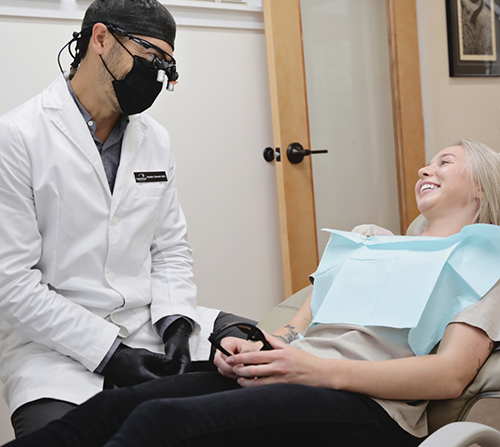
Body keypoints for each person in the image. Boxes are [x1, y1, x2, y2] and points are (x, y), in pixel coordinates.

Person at [3, 138, 500, 447]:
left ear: (480, 187)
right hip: (288, 375)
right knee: (114, 406)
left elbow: (451, 374)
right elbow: (296, 328)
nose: (424, 169)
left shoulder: (484, 265)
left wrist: (319, 371)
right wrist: (252, 347)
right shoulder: (369, 241)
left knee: (160, 423)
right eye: (428, 162)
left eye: (445, 162)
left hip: (369, 407)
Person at [0, 0, 254, 438]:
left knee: (253, 378)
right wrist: (110, 353)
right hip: (53, 347)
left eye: (167, 66)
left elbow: (170, 247)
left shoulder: (154, 139)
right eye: (150, 54)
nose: (157, 74)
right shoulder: (18, 137)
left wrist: (176, 319)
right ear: (100, 39)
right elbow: (12, 284)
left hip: (145, 328)